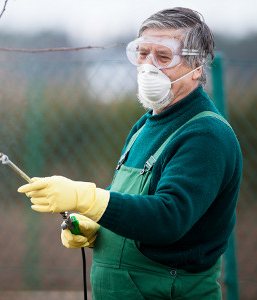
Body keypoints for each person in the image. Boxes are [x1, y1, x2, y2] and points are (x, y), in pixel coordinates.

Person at [18, 7, 242, 300]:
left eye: (163, 57)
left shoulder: (206, 136)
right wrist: (97, 225)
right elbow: (130, 199)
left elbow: (168, 217)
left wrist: (87, 198)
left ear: (197, 67)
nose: (148, 66)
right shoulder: (146, 124)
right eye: (142, 53)